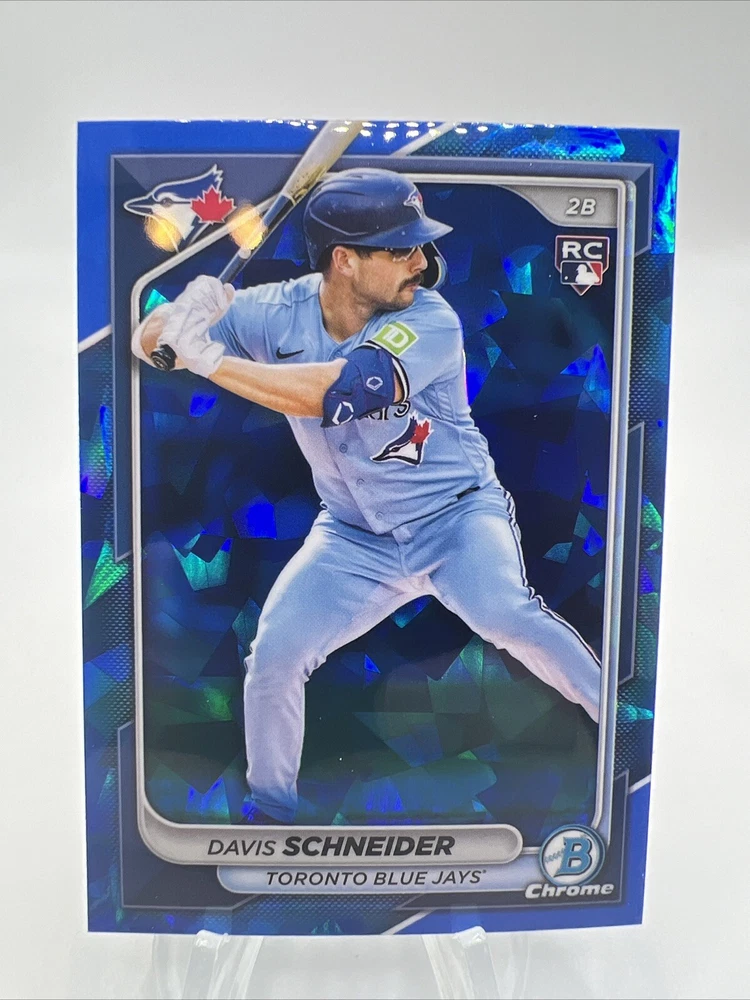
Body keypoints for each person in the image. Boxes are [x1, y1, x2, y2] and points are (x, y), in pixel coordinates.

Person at [133, 168, 601, 824]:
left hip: (456, 520)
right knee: (275, 656)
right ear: (344, 260)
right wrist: (183, 314)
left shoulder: (429, 318)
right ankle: (272, 817)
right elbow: (147, 341)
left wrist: (209, 359)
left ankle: (624, 729)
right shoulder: (278, 311)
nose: (422, 261)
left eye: (419, 244)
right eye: (400, 248)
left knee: (508, 617)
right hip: (353, 537)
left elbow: (337, 392)